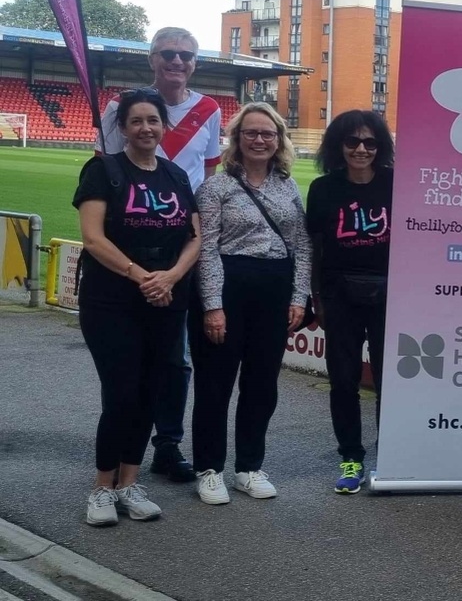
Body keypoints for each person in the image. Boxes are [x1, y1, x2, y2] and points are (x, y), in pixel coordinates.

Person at [96, 27, 222, 483]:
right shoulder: (119, 108)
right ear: (151, 58)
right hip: (128, 247)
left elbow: (207, 181)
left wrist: (200, 241)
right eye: (168, 54)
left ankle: (166, 444)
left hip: (180, 247)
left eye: (185, 55)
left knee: (175, 357)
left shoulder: (208, 110)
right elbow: (105, 171)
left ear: (195, 63)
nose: (177, 61)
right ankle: (117, 451)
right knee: (130, 360)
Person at [74, 88, 202, 525]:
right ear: (123, 128)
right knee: (122, 392)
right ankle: (102, 487)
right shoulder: (103, 171)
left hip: (166, 299)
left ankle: (129, 482)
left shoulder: (176, 177)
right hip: (112, 301)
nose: (146, 128)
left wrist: (169, 277)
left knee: (151, 390)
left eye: (153, 120)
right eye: (136, 121)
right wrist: (141, 276)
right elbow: (93, 238)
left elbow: (194, 237)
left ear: (163, 126)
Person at [189, 103, 311, 505]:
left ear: (279, 140)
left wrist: (298, 297)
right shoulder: (216, 188)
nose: (260, 140)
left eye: (268, 134)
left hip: (274, 289)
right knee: (215, 383)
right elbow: (206, 249)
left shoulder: (288, 186)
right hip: (228, 285)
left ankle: (248, 466)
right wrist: (212, 305)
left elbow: (302, 245)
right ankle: (209, 468)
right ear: (237, 139)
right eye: (251, 133)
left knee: (261, 385)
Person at [307, 110, 394, 495]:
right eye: (352, 142)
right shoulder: (324, 189)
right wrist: (318, 299)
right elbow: (315, 249)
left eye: (370, 142)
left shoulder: (397, 184)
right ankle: (351, 457)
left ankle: (391, 454)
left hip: (390, 296)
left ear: (381, 146)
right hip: (340, 296)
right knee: (343, 382)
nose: (361, 149)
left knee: (390, 381)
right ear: (338, 146)